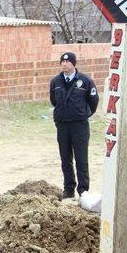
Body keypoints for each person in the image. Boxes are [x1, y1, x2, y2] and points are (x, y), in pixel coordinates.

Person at [49, 51, 99, 199]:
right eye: (62, 62)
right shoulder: (55, 81)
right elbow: (54, 100)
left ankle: (83, 190)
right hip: (63, 125)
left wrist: (83, 114)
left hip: (80, 125)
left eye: (67, 61)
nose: (64, 64)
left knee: (81, 159)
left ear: (73, 63)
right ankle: (68, 188)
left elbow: (93, 101)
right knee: (65, 159)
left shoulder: (85, 81)